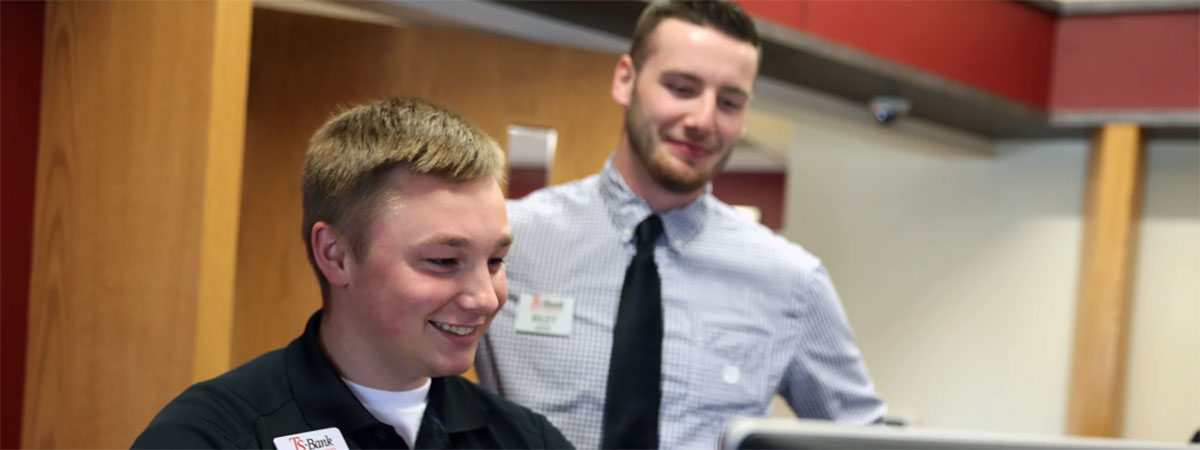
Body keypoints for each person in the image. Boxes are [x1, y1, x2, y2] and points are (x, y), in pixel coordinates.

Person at [475, 1, 886, 448]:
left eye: (730, 101)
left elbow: (863, 439)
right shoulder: (509, 240)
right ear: (625, 79)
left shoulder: (792, 281)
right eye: (682, 88)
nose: (703, 121)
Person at [134, 98, 572, 449]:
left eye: (495, 261)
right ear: (335, 255)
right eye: (443, 261)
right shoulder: (210, 436)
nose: (486, 297)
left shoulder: (527, 439)